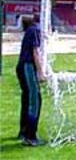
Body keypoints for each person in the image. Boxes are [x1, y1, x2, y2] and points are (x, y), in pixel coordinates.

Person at [16, 14, 46, 146]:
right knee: (35, 100)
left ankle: (23, 131)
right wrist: (40, 72)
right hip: (28, 66)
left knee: (27, 98)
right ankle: (30, 136)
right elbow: (36, 52)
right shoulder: (35, 30)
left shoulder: (30, 30)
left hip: (21, 66)